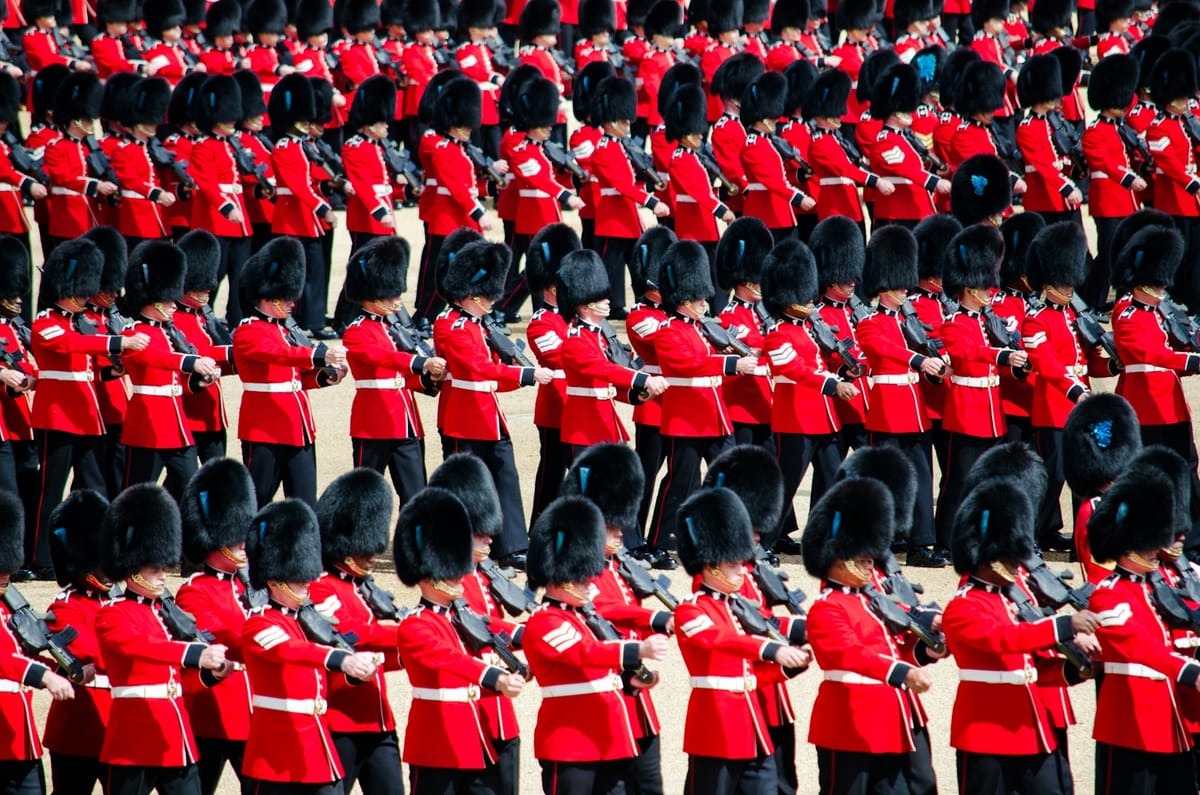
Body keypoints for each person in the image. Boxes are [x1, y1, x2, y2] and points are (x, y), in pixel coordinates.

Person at [943, 477, 1100, 793]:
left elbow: (1034, 667)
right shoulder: (963, 607)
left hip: (1032, 727)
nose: (1018, 564)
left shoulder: (1010, 600)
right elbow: (1005, 640)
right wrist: (1064, 626)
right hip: (986, 731)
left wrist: (1073, 670)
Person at [525, 495, 669, 794]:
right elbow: (583, 655)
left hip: (611, 740)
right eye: (582, 578)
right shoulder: (545, 621)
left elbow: (601, 672)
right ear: (560, 578)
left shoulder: (583, 618)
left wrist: (632, 680)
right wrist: (637, 650)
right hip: (571, 744)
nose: (590, 584)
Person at [801, 477, 936, 795]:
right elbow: (852, 654)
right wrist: (904, 671)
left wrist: (924, 651)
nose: (869, 563)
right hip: (848, 724)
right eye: (861, 558)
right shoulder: (827, 607)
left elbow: (893, 646)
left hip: (889, 721)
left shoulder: (874, 601)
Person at [675, 487, 812, 794]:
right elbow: (721, 641)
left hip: (754, 728)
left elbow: (749, 675)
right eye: (734, 565)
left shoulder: (735, 606)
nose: (743, 571)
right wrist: (772, 649)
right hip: (715, 728)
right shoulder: (690, 609)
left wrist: (787, 668)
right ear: (711, 566)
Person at [96, 484, 230, 795]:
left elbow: (177, 677)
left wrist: (210, 674)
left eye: (164, 568)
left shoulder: (165, 614)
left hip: (175, 734)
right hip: (134, 735)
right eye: (154, 568)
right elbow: (142, 649)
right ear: (132, 569)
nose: (162, 575)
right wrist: (196, 654)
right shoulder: (112, 614)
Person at [241, 498, 381, 795]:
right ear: (276, 581)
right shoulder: (259, 624)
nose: (307, 582)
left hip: (316, 744)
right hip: (277, 747)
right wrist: (341, 660)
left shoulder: (307, 622)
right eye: (298, 577)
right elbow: (291, 651)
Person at [392, 485, 526, 793]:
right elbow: (449, 659)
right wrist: (494, 677)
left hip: (476, 739)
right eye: (450, 570)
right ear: (428, 574)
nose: (458, 576)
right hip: (436, 744)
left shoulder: (462, 617)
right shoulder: (415, 625)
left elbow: (500, 629)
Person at [30, 239, 148, 580]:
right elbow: (70, 345)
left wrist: (117, 366)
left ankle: (95, 549)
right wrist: (116, 343)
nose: (86, 297)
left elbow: (91, 366)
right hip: (57, 415)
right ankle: (41, 558)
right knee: (50, 490)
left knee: (94, 487)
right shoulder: (46, 322)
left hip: (86, 416)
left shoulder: (78, 321)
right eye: (80, 290)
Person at [433, 238, 555, 570]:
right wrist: (526, 374)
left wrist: (521, 378)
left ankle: (512, 546)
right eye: (487, 296)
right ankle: (460, 543)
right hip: (463, 416)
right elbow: (476, 368)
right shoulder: (450, 325)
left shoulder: (478, 325)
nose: (491, 301)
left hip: (488, 413)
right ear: (471, 295)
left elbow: (491, 377)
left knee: (506, 476)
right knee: (465, 484)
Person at [560, 444, 672, 795]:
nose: (621, 532)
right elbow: (602, 610)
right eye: (611, 527)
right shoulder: (578, 573)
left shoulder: (620, 567)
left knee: (650, 784)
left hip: (636, 692)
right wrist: (654, 618)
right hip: (606, 691)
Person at [1087, 465, 1200, 793]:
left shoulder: (1167, 584)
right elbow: (1137, 646)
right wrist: (1189, 671)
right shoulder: (1107, 593)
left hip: (1174, 721)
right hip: (1129, 727)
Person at [646, 240, 756, 560]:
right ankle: (661, 542)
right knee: (680, 484)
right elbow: (687, 365)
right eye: (698, 297)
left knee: (731, 476)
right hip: (686, 418)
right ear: (683, 298)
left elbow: (706, 361)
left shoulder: (701, 328)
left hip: (713, 415)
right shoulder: (668, 331)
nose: (705, 301)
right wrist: (731, 363)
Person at [426, 453, 527, 794]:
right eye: (479, 533)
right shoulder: (450, 580)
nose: (489, 538)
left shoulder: (486, 576)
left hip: (500, 716)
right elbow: (478, 626)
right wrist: (523, 634)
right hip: (469, 712)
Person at [1022, 222, 1120, 549]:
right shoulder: (1036, 319)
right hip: (1054, 407)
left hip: (1080, 407)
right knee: (1052, 478)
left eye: (1069, 283)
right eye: (1062, 283)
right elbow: (1046, 364)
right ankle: (1031, 536)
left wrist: (1111, 364)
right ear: (1047, 285)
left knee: (1084, 476)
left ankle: (1083, 538)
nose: (1068, 288)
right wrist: (1075, 391)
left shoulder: (1074, 317)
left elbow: (1087, 359)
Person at [232, 237, 347, 508]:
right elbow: (278, 355)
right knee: (256, 502)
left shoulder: (286, 330)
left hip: (299, 427)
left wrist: (325, 376)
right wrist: (319, 355)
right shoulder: (248, 331)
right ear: (268, 296)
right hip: (265, 428)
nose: (292, 303)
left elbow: (297, 377)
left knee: (305, 503)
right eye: (286, 298)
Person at [310, 469, 405, 795]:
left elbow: (378, 654)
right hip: (341, 723)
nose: (372, 556)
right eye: (366, 549)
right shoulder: (321, 589)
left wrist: (409, 655)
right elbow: (358, 635)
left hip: (380, 723)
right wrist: (416, 634)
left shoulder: (364, 588)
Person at [855, 225, 946, 564]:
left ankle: (920, 544)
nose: (905, 290)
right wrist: (919, 359)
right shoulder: (870, 323)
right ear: (884, 287)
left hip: (915, 410)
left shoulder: (911, 320)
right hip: (888, 411)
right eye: (898, 284)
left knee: (922, 479)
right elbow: (885, 349)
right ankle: (881, 541)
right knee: (885, 481)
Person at [936, 223, 1029, 549]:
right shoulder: (953, 322)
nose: (991, 291)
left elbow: (995, 361)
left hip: (991, 408)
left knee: (991, 480)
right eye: (985, 286)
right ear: (969, 288)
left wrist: (1017, 365)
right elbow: (966, 352)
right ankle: (945, 540)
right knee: (958, 481)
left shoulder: (991, 322)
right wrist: (1002, 355)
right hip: (966, 409)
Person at [759, 239, 852, 555]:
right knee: (785, 486)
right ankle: (765, 543)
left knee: (832, 482)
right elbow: (796, 370)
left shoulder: (810, 330)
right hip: (795, 419)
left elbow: (821, 363)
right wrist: (832, 384)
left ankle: (822, 539)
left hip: (825, 420)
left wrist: (846, 371)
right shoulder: (777, 335)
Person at [174, 458, 258, 795]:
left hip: (251, 715)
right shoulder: (194, 591)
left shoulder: (248, 586)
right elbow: (220, 637)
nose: (243, 543)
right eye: (236, 537)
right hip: (212, 712)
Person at [342, 237, 444, 504]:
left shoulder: (393, 328)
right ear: (373, 293)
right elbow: (382, 359)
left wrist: (429, 379)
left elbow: (401, 378)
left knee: (417, 495)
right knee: (364, 496)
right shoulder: (356, 331)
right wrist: (420, 363)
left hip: (406, 422)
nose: (398, 300)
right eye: (391, 294)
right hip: (374, 422)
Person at [119, 240, 220, 497]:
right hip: (147, 426)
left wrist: (197, 383)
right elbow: (157, 358)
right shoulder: (134, 333)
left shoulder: (169, 333)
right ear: (154, 300)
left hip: (178, 427)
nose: (175, 304)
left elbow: (172, 382)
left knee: (191, 494)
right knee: (137, 497)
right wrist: (192, 362)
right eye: (169, 299)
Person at [0, 491, 76, 795]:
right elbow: (4, 659)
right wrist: (43, 676)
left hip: (18, 733)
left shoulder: (8, 606)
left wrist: (58, 666)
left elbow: (18, 651)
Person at [556, 250, 665, 455]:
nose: (608, 301)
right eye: (600, 299)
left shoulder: (600, 336)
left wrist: (636, 395)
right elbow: (604, 369)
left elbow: (608, 386)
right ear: (585, 306)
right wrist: (643, 379)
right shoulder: (575, 341)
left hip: (606, 424)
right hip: (584, 428)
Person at [41, 490, 114, 795]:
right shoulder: (64, 607)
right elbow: (89, 651)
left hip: (117, 725)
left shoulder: (119, 602)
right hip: (78, 727)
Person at [590, 74, 670, 319]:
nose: (628, 125)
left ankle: (641, 302)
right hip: (613, 216)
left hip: (627, 215)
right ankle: (611, 306)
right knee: (611, 266)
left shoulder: (621, 147)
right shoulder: (603, 149)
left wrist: (648, 186)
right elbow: (621, 185)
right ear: (612, 122)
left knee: (638, 263)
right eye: (624, 122)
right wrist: (651, 201)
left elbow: (632, 182)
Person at [268, 75, 337, 336]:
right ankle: (296, 320)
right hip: (292, 217)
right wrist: (323, 208)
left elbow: (311, 179)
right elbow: (298, 186)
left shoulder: (300, 145)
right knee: (296, 273)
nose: (308, 124)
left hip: (306, 218)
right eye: (304, 119)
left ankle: (313, 320)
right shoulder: (284, 147)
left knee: (314, 271)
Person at [1081, 53, 1146, 310]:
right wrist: (1128, 178)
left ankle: (1121, 300)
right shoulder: (1095, 131)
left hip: (1126, 201)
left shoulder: (1119, 129)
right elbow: (1103, 163)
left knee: (1123, 254)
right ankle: (1092, 301)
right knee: (1107, 256)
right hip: (1108, 200)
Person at [626, 227, 676, 562]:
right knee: (644, 476)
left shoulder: (672, 313)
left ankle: (662, 536)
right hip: (654, 406)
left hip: (682, 404)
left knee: (680, 477)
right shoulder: (639, 316)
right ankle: (633, 538)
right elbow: (665, 344)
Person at [189, 74, 253, 326]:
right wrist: (226, 207)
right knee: (212, 275)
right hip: (216, 218)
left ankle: (237, 321)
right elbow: (207, 182)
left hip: (238, 217)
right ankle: (201, 318)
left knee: (239, 275)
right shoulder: (203, 145)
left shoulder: (231, 143)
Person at [525, 224, 578, 524]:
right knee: (551, 476)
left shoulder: (573, 317)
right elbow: (560, 357)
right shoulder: (540, 322)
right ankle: (540, 525)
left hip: (579, 405)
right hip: (555, 408)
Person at [173, 230, 235, 464]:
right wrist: (229, 353)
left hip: (212, 415)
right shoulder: (175, 320)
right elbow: (195, 355)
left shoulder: (204, 317)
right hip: (187, 413)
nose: (208, 290)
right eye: (202, 287)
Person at [713, 218, 775, 450]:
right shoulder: (729, 317)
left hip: (766, 406)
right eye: (756, 280)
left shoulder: (764, 314)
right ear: (744, 282)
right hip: (741, 409)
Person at [1145, 47, 1200, 310]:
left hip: (1192, 199)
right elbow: (1169, 162)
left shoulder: (1189, 122)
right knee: (1179, 250)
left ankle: (1191, 294)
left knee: (1194, 251)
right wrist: (1193, 183)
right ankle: (1176, 296)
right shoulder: (1158, 127)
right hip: (1175, 199)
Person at [868, 63, 951, 229]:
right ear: (895, 113)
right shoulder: (884, 141)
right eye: (905, 110)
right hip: (899, 214)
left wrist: (935, 170)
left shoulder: (906, 139)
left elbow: (917, 166)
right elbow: (905, 169)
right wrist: (934, 181)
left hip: (917, 211)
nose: (910, 113)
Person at [740, 71, 816, 242]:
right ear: (763, 118)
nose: (776, 121)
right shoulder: (752, 145)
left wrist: (800, 175)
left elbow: (782, 176)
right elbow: (770, 180)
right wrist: (797, 197)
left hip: (781, 214)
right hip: (766, 215)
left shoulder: (769, 141)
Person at [341, 75, 400, 256]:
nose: (387, 126)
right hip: (366, 218)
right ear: (371, 125)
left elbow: (384, 184)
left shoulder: (377, 148)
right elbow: (363, 184)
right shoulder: (354, 147)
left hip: (382, 213)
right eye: (383, 123)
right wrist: (380, 213)